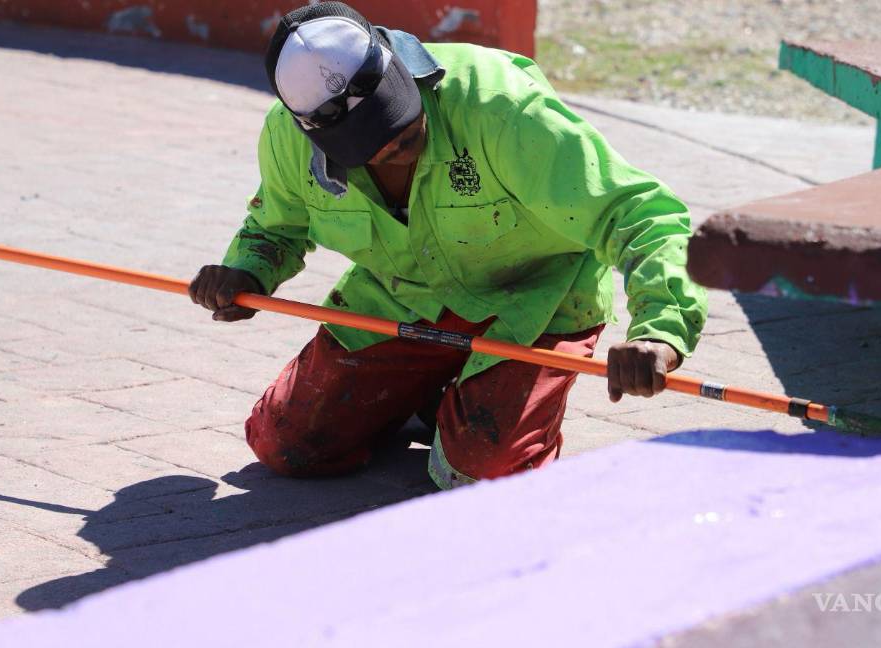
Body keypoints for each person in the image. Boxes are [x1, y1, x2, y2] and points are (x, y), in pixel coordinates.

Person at [189, 2, 707, 489]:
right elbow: (276, 227)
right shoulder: (287, 137)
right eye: (369, 145)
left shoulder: (499, 104)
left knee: (481, 477)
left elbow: (639, 213)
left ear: (397, 65)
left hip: (536, 303)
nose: (395, 143)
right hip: (401, 300)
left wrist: (660, 330)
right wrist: (245, 272)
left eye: (396, 114)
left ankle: (462, 406)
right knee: (286, 444)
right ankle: (433, 393)